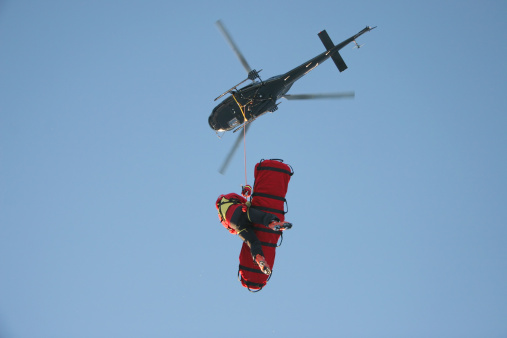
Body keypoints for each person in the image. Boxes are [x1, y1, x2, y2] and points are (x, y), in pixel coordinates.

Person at [215, 184, 292, 275]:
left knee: (253, 242)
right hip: (240, 211)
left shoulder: (220, 216)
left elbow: (232, 231)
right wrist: (247, 191)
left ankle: (258, 258)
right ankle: (273, 223)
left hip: (237, 226)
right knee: (262, 217)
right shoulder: (228, 196)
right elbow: (246, 201)